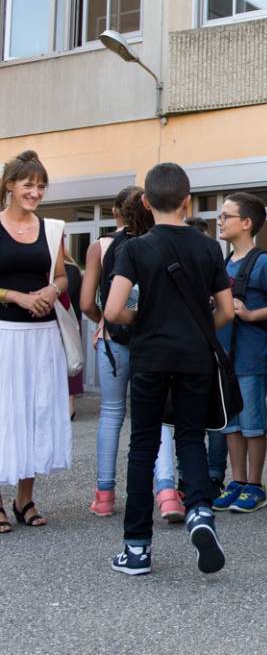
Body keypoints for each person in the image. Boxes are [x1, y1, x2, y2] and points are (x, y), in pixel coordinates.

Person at [104, 162, 234, 575]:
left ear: (145, 201)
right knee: (191, 439)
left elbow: (113, 310)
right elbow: (227, 310)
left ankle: (138, 549)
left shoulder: (134, 249)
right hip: (195, 358)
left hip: (150, 359)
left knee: (143, 446)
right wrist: (196, 330)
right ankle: (199, 513)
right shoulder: (208, 247)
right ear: (187, 201)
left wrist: (143, 318)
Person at [80, 186, 182, 520]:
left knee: (110, 414)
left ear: (116, 212)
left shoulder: (101, 246)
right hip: (151, 341)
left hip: (112, 342)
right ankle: (167, 492)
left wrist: (104, 323)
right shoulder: (160, 241)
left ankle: (105, 495)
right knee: (158, 417)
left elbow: (86, 303)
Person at [0, 150, 72, 532]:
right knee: (3, 413)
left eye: (41, 186)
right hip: (4, 334)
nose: (36, 192)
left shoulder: (52, 228)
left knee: (36, 412)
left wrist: (49, 291)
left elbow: (62, 277)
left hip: (43, 335)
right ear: (10, 185)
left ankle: (24, 499)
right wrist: (17, 296)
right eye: (28, 184)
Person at [212, 193, 267, 514]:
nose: (219, 221)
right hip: (225, 358)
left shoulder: (261, 263)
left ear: (246, 224)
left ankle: (254, 485)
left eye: (225, 216)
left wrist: (249, 315)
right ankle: (237, 481)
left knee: (252, 423)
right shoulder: (223, 263)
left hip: (250, 356)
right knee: (231, 424)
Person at [62, 239, 83, 421]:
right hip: (51, 321)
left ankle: (70, 404)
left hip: (69, 321)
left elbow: (66, 296)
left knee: (71, 360)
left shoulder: (71, 269)